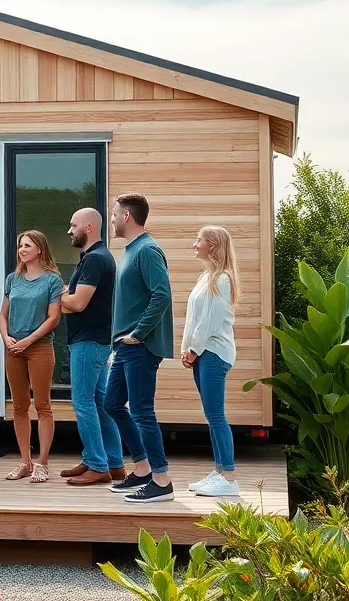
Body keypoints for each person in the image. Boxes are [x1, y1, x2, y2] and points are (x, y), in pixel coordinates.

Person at [104, 192, 176, 503]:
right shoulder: (131, 250)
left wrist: (138, 333)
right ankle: (144, 468)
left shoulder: (147, 250)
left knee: (143, 412)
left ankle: (162, 480)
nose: (112, 219)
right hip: (124, 347)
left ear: (127, 217)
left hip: (140, 346)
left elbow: (162, 295)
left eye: (114, 214)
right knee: (112, 405)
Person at [58, 207, 126, 486]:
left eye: (73, 225)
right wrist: (67, 295)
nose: (69, 230)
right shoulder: (96, 257)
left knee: (82, 402)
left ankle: (98, 465)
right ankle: (112, 463)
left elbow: (78, 303)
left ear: (88, 227)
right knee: (100, 403)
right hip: (96, 340)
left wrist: (58, 295)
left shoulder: (95, 259)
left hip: (89, 341)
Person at [0, 229, 63, 484]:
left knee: (42, 405)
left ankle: (43, 463)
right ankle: (25, 462)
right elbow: (3, 315)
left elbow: (54, 318)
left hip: (39, 347)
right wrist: (6, 338)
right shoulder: (12, 279)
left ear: (39, 249)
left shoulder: (52, 280)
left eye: (27, 245)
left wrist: (29, 339)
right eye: (20, 246)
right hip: (13, 348)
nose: (22, 250)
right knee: (19, 406)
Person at [182, 225, 241, 497]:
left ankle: (228, 477)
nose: (195, 245)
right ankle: (219, 472)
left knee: (216, 414)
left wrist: (194, 349)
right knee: (211, 414)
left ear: (213, 246)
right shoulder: (206, 277)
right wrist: (187, 349)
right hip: (202, 353)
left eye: (199, 240)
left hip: (214, 353)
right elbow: (194, 318)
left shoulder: (223, 279)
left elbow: (211, 322)